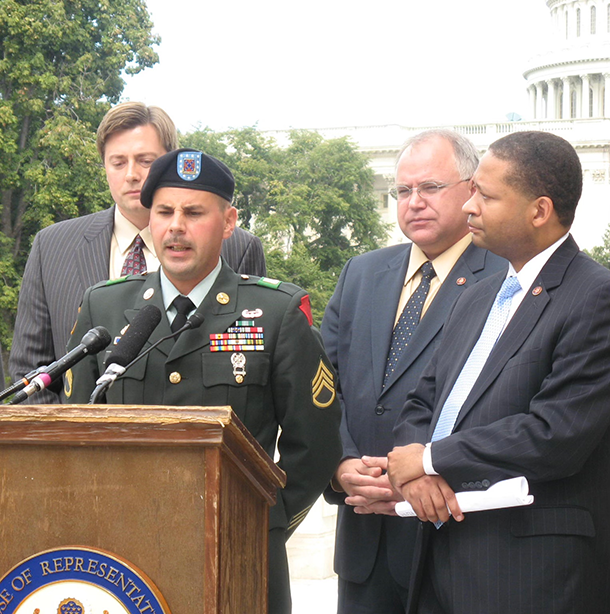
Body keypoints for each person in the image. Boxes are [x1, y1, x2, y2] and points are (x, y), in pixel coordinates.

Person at [64, 148, 342, 614]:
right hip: (123, 556)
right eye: (164, 212)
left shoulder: (275, 314)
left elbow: (314, 445)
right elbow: (71, 426)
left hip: (240, 557)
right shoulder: (105, 308)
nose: (176, 226)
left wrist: (262, 522)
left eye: (194, 213)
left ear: (229, 221)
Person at [385, 131, 610, 614]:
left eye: (485, 196)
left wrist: (429, 460)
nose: (470, 208)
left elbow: (555, 434)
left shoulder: (595, 297)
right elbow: (424, 401)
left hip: (529, 575)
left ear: (539, 210)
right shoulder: (477, 295)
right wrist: (417, 474)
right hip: (437, 559)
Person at [320, 130, 506, 614]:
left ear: (471, 189)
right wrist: (341, 466)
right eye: (403, 191)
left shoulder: (507, 279)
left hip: (455, 540)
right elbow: (321, 390)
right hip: (365, 544)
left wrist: (425, 468)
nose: (414, 203)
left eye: (430, 188)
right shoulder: (360, 274)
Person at [9, 102, 266, 404]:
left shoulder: (236, 246)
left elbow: (255, 364)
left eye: (144, 161)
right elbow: (30, 373)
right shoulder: (52, 248)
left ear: (170, 162)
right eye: (118, 162)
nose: (131, 175)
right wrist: (65, 447)